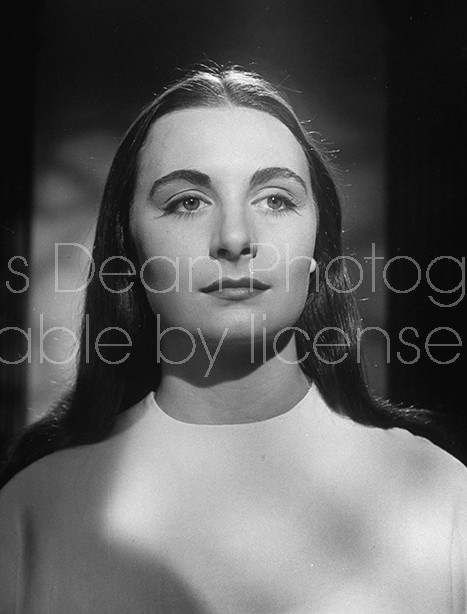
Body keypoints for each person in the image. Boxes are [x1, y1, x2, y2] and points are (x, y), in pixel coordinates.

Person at [0, 66, 466, 613]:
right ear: (129, 251)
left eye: (275, 199)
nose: (235, 238)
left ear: (318, 247)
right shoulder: (31, 511)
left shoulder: (441, 498)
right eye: (187, 202)